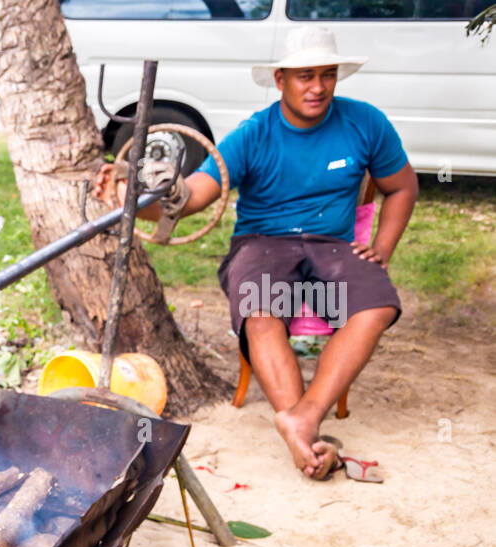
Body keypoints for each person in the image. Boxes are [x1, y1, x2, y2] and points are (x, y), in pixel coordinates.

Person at [96, 26, 419, 479]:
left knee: (377, 305)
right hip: (262, 245)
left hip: (333, 246)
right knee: (262, 309)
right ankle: (305, 435)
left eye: (327, 75)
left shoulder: (365, 122)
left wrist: (382, 247)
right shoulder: (252, 135)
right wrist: (132, 188)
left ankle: (301, 419)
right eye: (305, 76)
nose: (318, 87)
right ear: (281, 80)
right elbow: (189, 199)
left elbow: (403, 186)